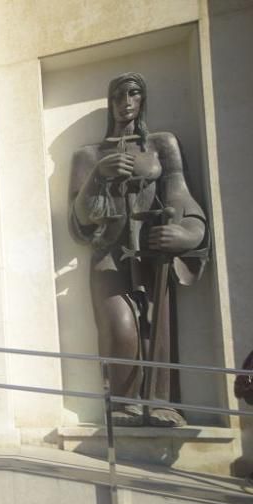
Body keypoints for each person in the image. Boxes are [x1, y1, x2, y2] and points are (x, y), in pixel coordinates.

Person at [69, 72, 208, 427]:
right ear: (109, 101)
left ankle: (161, 403)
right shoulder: (87, 156)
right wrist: (98, 175)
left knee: (157, 329)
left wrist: (188, 234)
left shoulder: (162, 145)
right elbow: (80, 221)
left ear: (142, 99)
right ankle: (122, 404)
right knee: (121, 327)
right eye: (117, 95)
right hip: (109, 256)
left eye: (133, 94)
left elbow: (182, 199)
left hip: (150, 253)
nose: (125, 101)